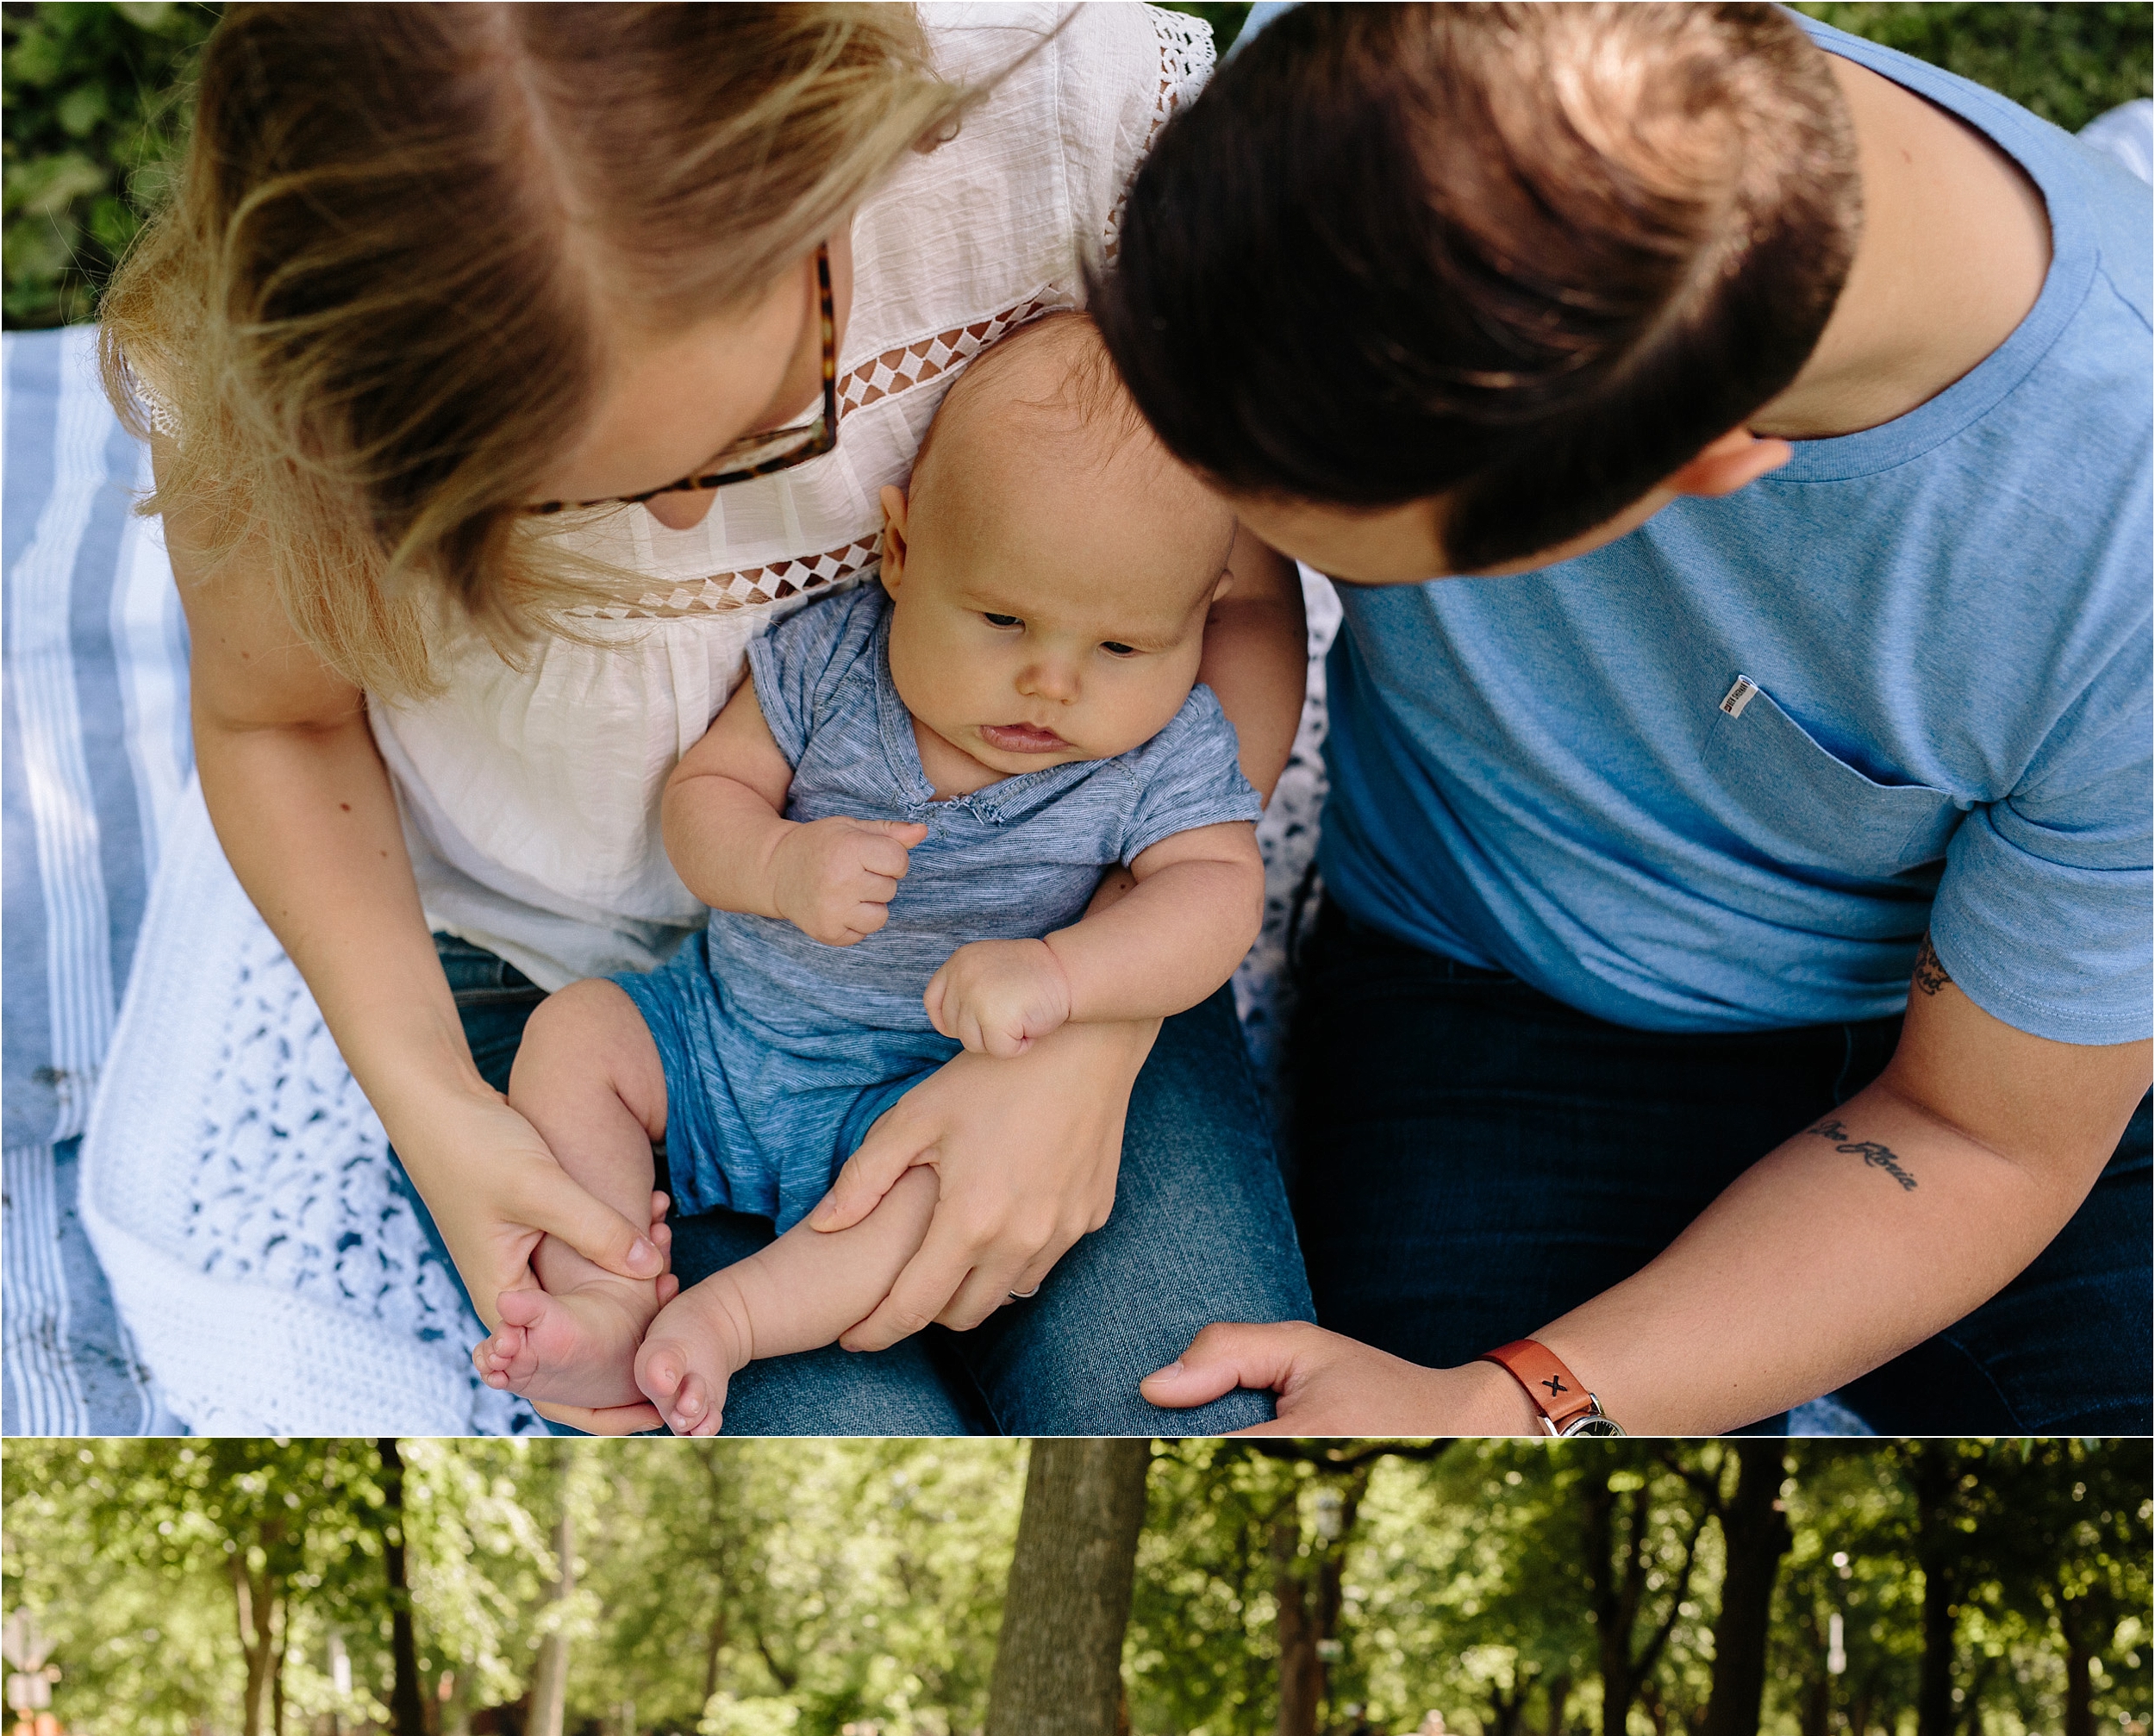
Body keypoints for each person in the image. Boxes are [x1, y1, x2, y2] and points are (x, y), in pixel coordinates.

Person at [101, 2, 1312, 1438]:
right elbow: (279, 727)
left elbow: (1224, 603)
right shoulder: (285, 366)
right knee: (828, 1443)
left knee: (1180, 1415)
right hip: (573, 983)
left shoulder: (1082, 142)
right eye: (567, 495)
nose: (688, 513)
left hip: (1040, 940)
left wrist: (1091, 1025)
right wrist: (440, 1112)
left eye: (770, 422)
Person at [1090, 3, 2152, 1438]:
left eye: (1350, 561)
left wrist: (1520, 1403)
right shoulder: (1353, 76)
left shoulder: (2118, 550)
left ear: (1703, 474)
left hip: (2009, 1065)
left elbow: (1981, 1138)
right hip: (1496, 969)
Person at [475, 314, 1262, 1433]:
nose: (1051, 681)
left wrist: (1066, 974)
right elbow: (704, 799)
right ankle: (604, 1293)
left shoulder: (1165, 748)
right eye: (1001, 618)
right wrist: (779, 860)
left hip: (921, 1098)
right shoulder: (833, 656)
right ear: (901, 550)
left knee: (932, 1207)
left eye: (1122, 648)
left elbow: (1218, 894)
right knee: (576, 1034)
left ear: (1203, 612)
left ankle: (731, 1319)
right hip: (714, 1035)